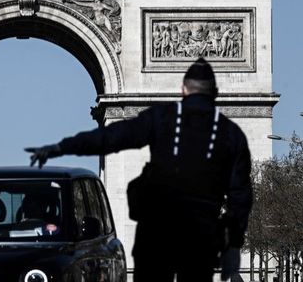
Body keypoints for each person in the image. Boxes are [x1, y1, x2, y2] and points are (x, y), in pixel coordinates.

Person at [25, 58, 252, 282]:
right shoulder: (232, 135)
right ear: (216, 92)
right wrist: (233, 246)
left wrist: (61, 147)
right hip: (201, 235)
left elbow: (110, 138)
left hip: (156, 230)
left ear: (183, 90)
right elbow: (240, 198)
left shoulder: (162, 117)